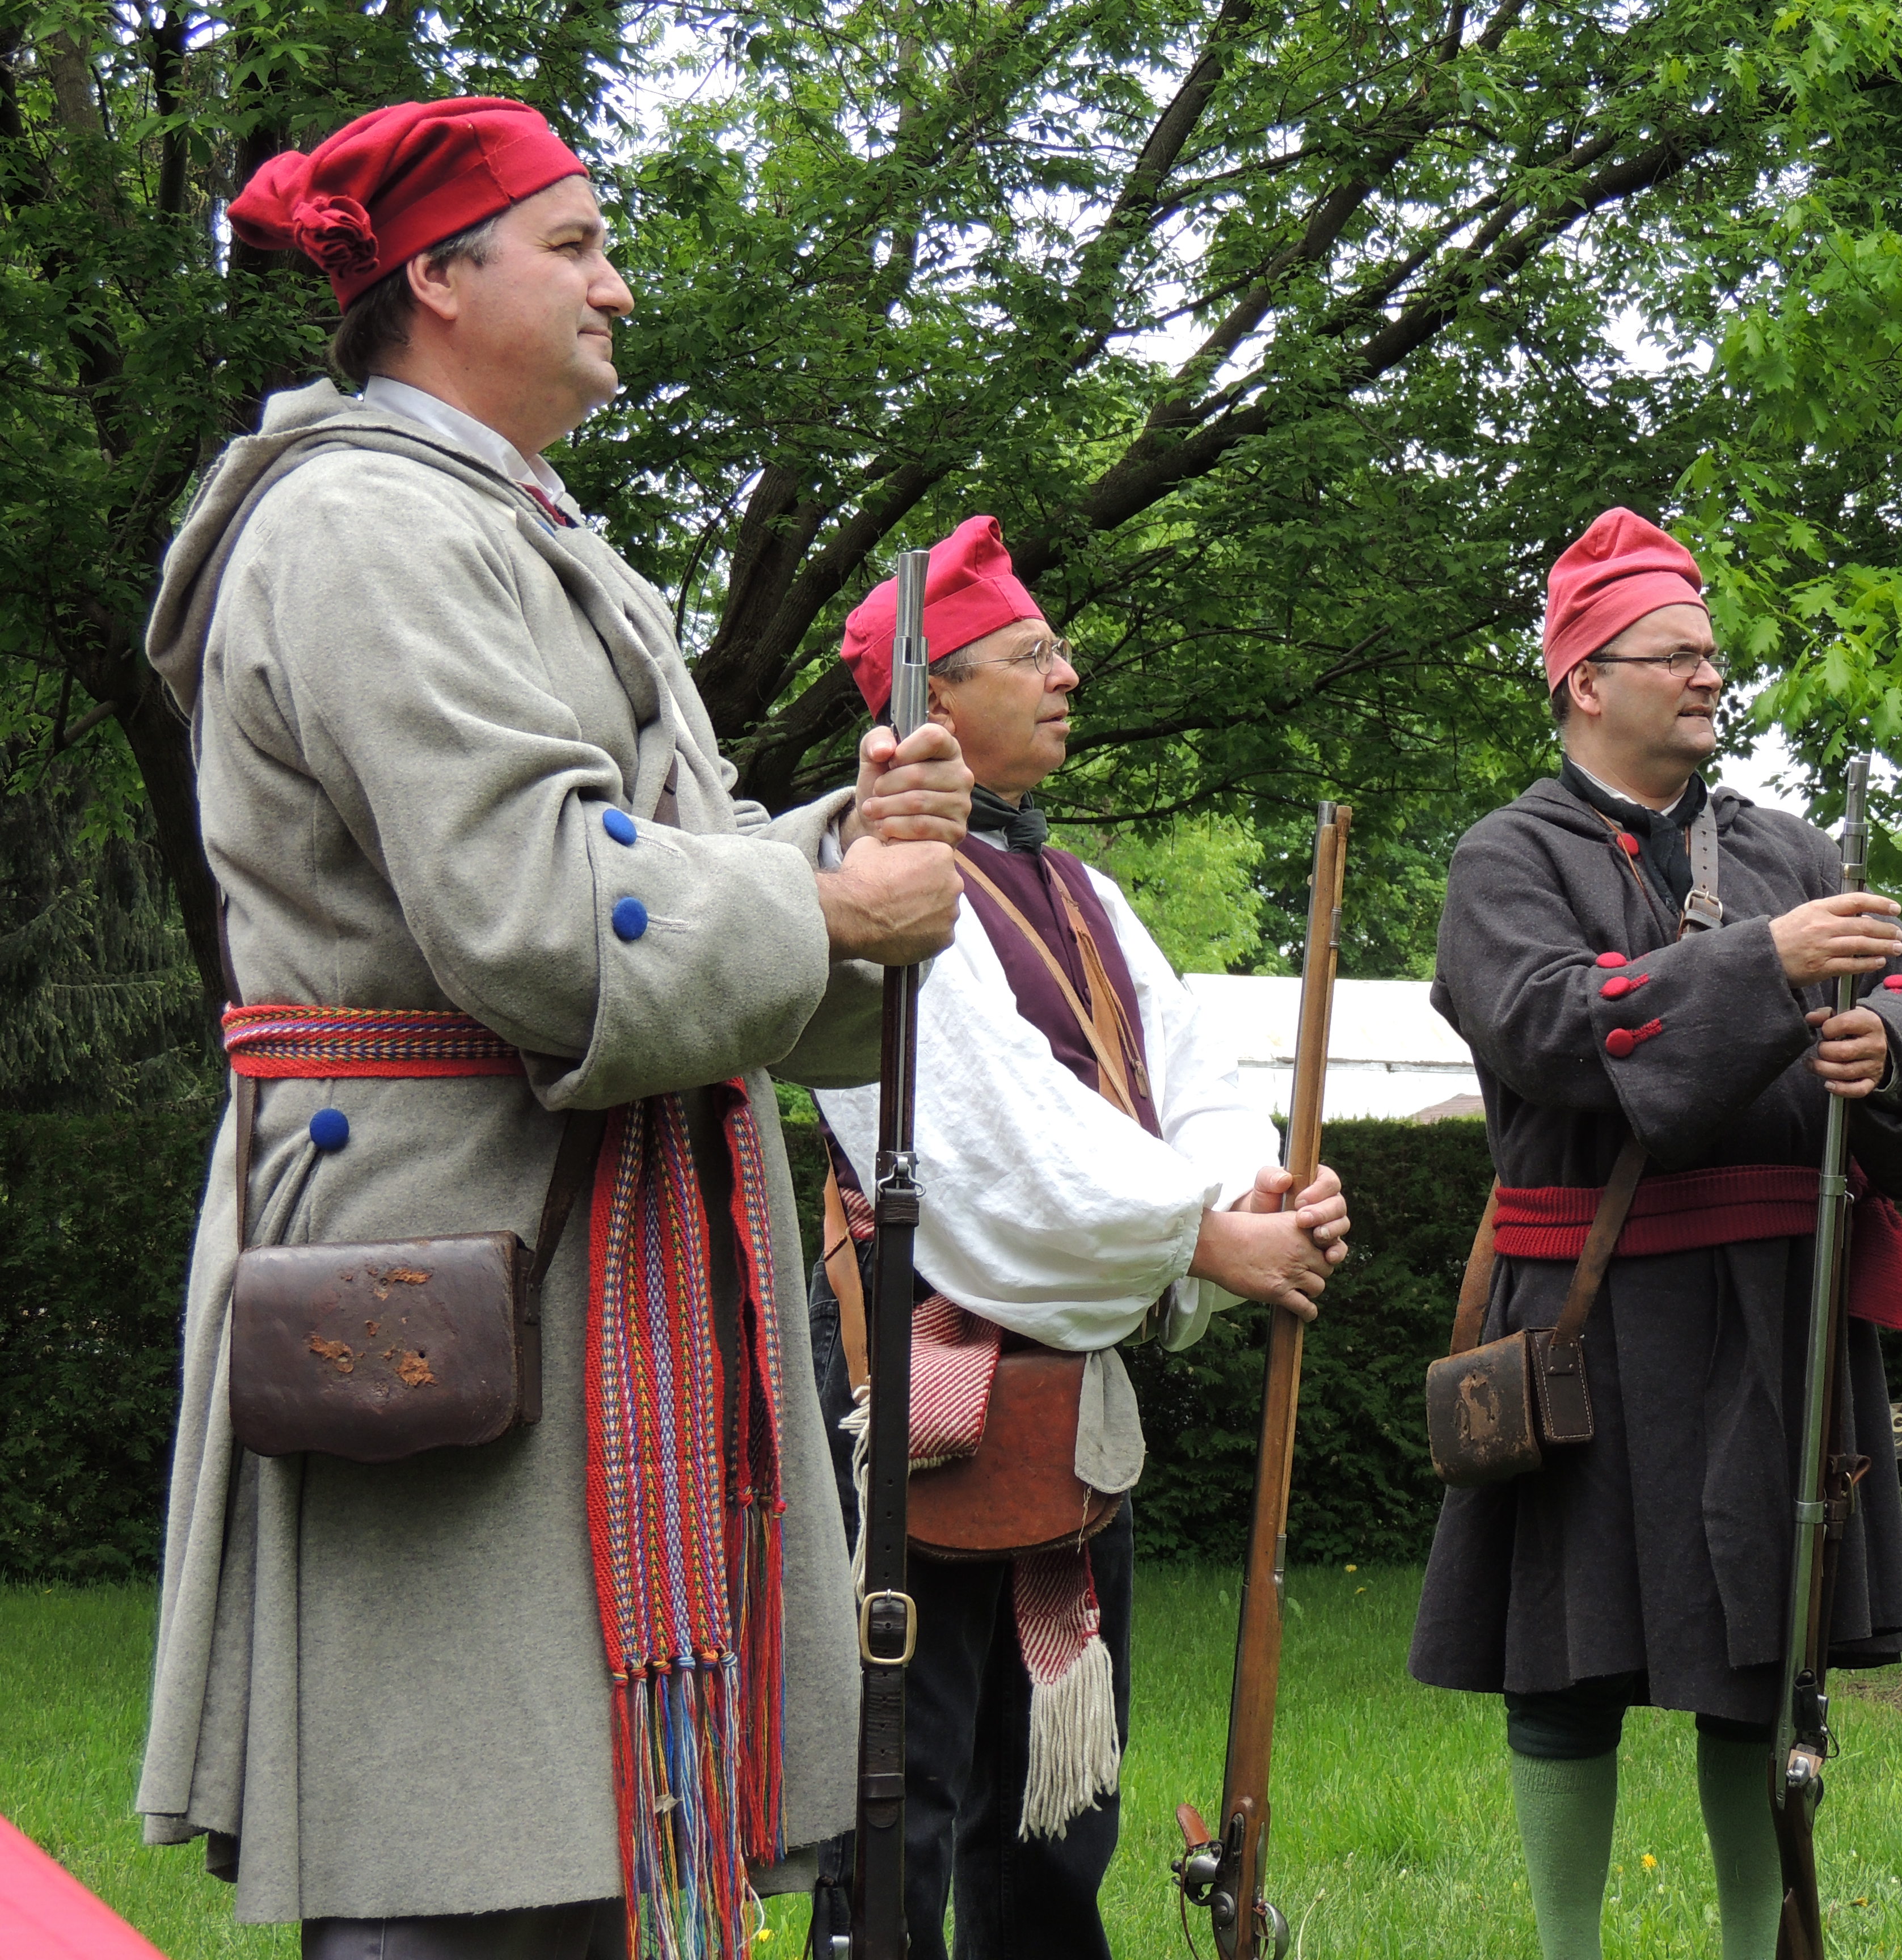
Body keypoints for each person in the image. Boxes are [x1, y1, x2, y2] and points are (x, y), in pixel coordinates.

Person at [135, 98, 973, 1960]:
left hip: (566, 1231)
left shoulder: (506, 528)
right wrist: (828, 904)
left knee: (563, 1838)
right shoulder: (362, 525)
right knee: (448, 1834)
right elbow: (534, 909)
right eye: (574, 243)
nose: (616, 285)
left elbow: (660, 870)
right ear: (436, 278)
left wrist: (846, 851)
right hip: (441, 1236)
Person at [1409, 508, 1902, 1960]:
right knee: (1564, 1666)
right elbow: (1544, 1024)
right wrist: (1767, 965)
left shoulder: (1795, 849)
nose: (1710, 676)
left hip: (1776, 1313)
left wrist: (1889, 1057)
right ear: (1586, 679)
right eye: (1676, 654)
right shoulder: (1504, 858)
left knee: (1759, 1670)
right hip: (1586, 1320)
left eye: (1713, 654)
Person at [809, 515, 1350, 1960]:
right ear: (933, 696)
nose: (1068, 676)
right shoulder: (877, 872)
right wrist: (1200, 1239)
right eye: (1031, 654)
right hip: (919, 1375)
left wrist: (1250, 1192)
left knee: (1057, 1804)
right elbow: (999, 1136)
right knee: (902, 1787)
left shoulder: (1085, 890)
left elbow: (1189, 1079)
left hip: (1055, 1390)